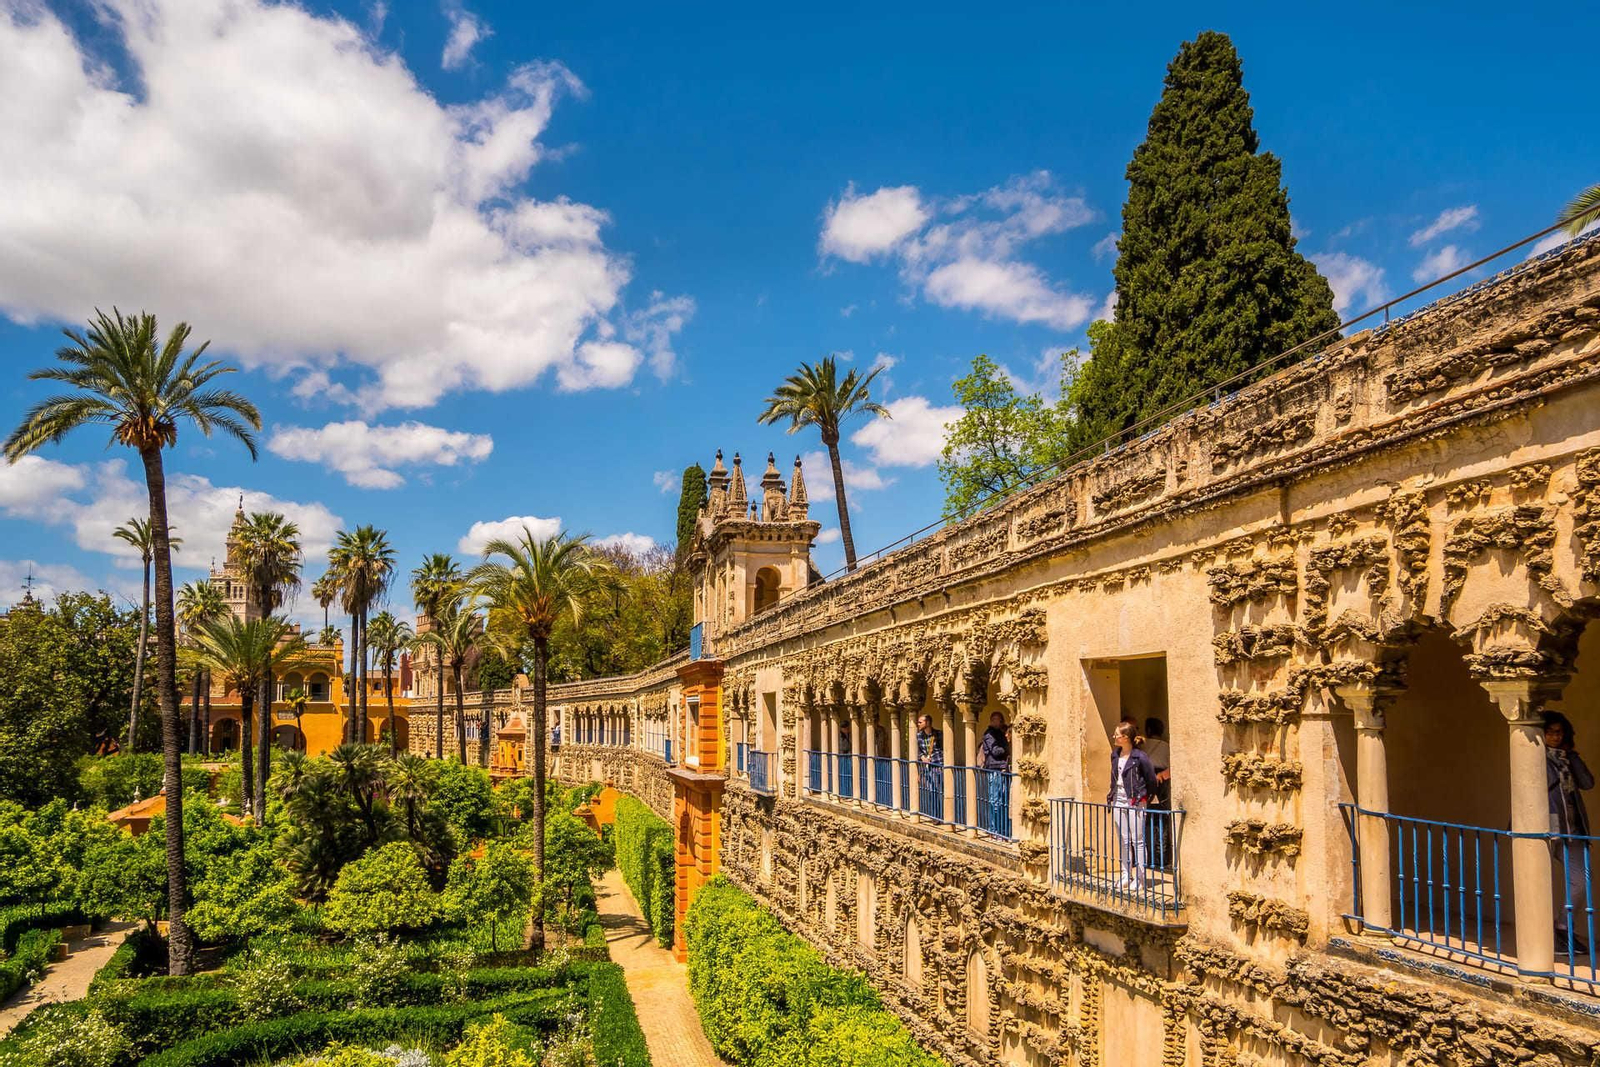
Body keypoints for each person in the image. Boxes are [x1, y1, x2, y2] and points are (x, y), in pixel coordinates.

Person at [1545, 711, 1595, 954]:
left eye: (1559, 732)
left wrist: (1571, 757)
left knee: (1581, 880)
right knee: (1541, 880)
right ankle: (1546, 936)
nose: (1556, 736)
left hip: (1573, 828)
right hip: (1547, 827)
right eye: (1551, 732)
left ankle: (1563, 927)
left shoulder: (1568, 758)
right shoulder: (1537, 759)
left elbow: (1587, 783)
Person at [1106, 721, 1159, 893]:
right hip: (1118, 800)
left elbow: (1151, 780)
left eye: (1117, 735)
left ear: (1126, 738)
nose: (1114, 737)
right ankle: (1125, 874)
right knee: (1123, 839)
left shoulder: (1139, 757)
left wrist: (1145, 798)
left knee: (1138, 840)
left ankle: (1140, 878)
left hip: (1135, 801)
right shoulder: (1115, 755)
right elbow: (1114, 778)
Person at [1143, 716, 1172, 868]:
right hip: (1163, 782)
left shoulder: (1143, 746)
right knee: (1163, 820)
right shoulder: (1167, 747)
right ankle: (1162, 858)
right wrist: (1162, 775)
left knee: (1146, 819)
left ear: (1148, 730)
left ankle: (1149, 858)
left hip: (1147, 781)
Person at [980, 711, 1011, 836]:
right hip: (994, 768)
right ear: (993, 720)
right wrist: (1007, 746)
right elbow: (995, 751)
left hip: (1000, 768)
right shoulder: (989, 734)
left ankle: (1001, 830)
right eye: (1000, 720)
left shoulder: (998, 733)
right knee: (995, 801)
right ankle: (994, 829)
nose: (1001, 722)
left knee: (1002, 800)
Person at [916, 714, 944, 819]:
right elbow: (917, 750)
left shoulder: (938, 734)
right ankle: (935, 816)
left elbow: (945, 749)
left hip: (938, 765)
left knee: (942, 791)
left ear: (927, 723)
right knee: (933, 791)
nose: (918, 724)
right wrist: (922, 757)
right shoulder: (918, 736)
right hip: (928, 768)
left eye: (920, 722)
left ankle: (943, 816)